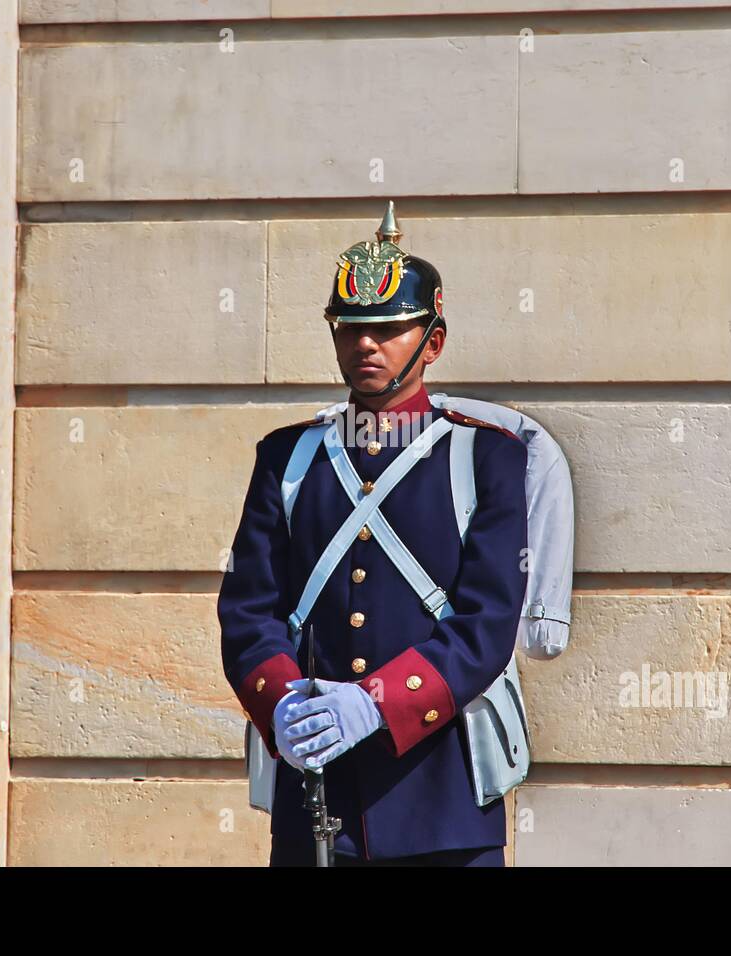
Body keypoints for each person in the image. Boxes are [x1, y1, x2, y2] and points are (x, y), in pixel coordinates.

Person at [217, 203, 529, 866]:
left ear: (432, 342)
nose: (366, 345)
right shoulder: (287, 458)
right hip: (317, 798)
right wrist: (280, 711)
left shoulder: (485, 459)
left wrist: (375, 705)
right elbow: (250, 612)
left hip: (441, 802)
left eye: (388, 329)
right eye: (351, 329)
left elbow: (487, 623)